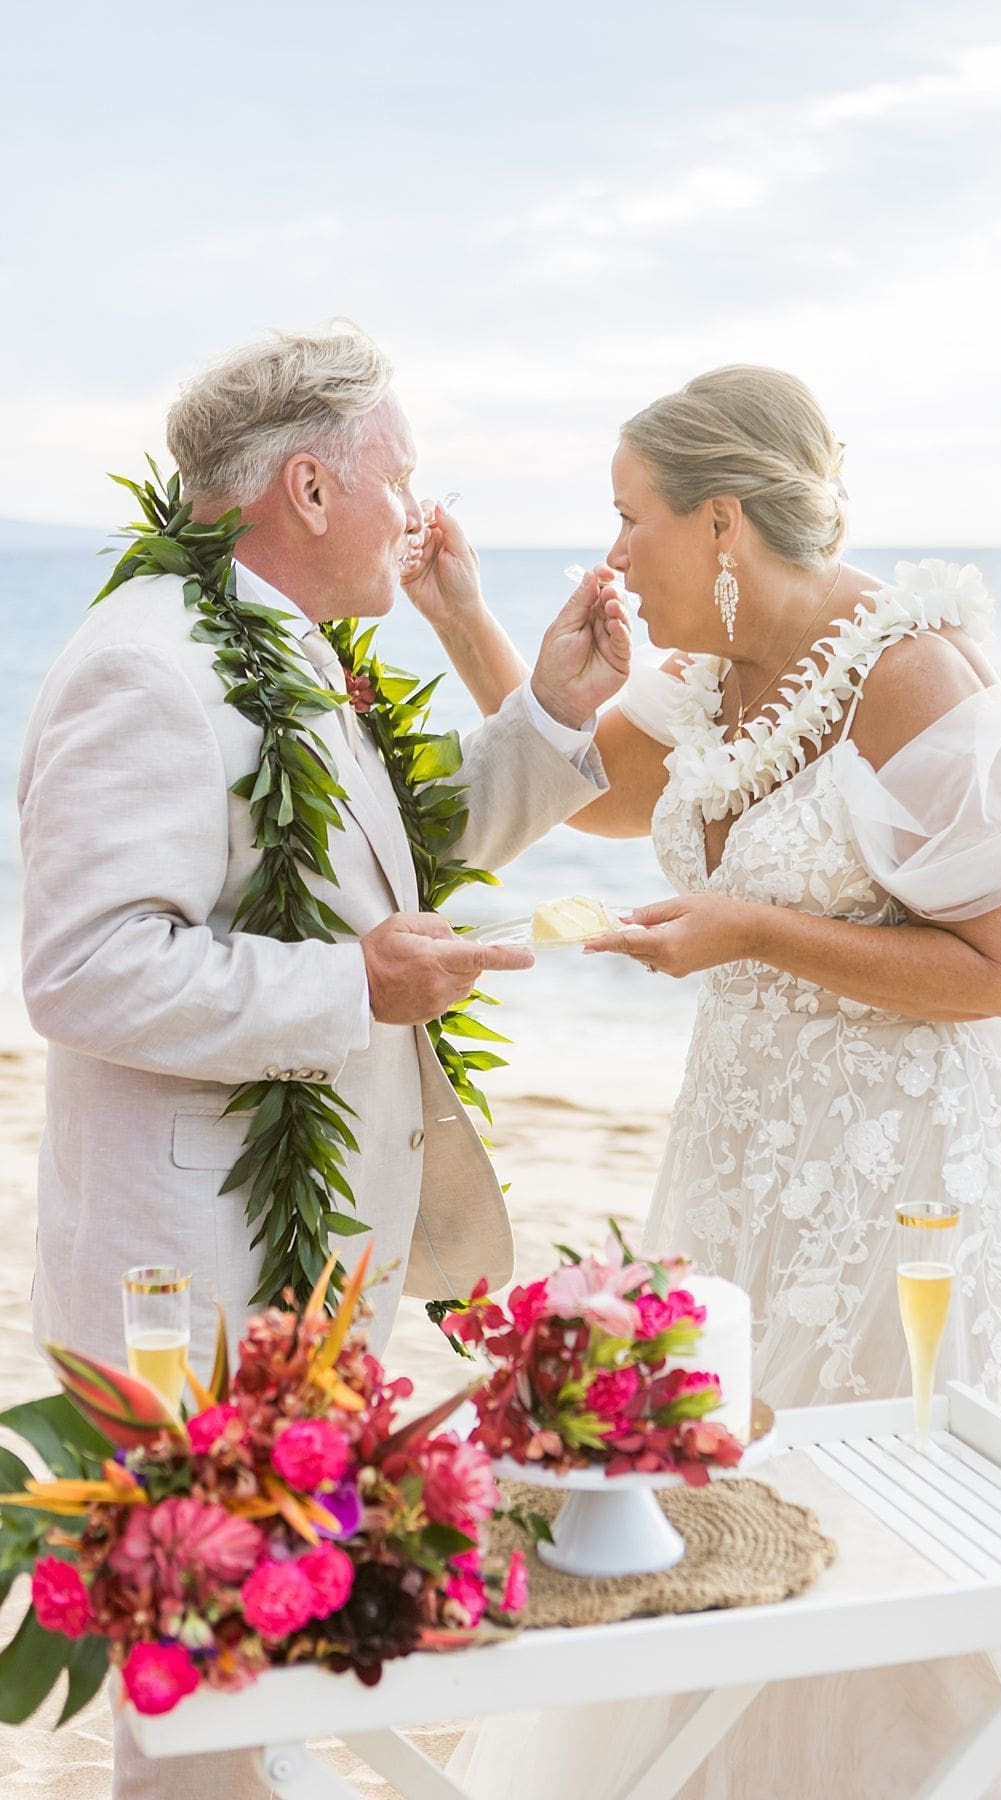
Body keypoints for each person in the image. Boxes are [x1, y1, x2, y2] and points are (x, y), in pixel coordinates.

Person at [432, 366, 1001, 1797]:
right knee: (717, 1496)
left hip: (909, 1171)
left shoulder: (916, 675)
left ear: (723, 522)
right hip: (746, 1138)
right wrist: (465, 618)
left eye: (630, 519)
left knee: (883, 1518)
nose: (613, 556)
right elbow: (595, 798)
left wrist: (751, 932)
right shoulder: (715, 671)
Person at [16, 324, 631, 1800]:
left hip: (302, 1258)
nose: (420, 519)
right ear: (306, 488)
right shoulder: (151, 669)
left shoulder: (285, 648)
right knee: (204, 1694)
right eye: (399, 480)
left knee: (268, 1669)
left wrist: (546, 714)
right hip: (197, 1274)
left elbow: (390, 854)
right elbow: (82, 969)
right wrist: (354, 982)